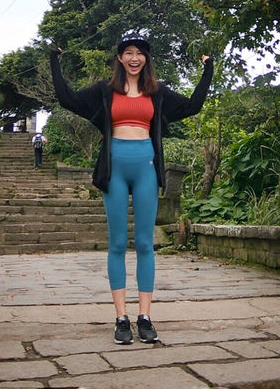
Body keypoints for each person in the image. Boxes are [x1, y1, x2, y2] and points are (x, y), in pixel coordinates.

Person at [50, 30, 213, 345]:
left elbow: (193, 105)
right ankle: (121, 318)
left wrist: (208, 70)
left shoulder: (158, 92)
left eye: (140, 53)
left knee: (144, 244)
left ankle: (145, 316)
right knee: (117, 244)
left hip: (146, 168)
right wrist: (56, 61)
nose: (134, 58)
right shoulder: (105, 90)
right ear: (120, 58)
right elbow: (67, 98)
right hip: (115, 168)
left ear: (146, 58)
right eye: (128, 53)